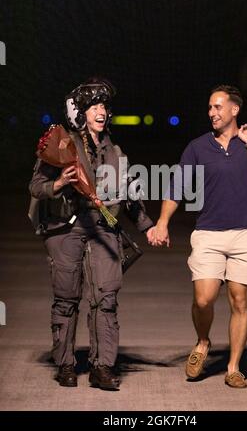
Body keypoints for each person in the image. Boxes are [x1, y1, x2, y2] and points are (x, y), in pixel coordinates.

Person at [149, 85, 247, 388]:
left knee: (240, 301)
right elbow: (177, 184)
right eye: (209, 107)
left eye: (218, 107)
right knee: (204, 298)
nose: (212, 113)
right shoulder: (198, 147)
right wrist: (163, 222)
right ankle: (203, 342)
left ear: (235, 110)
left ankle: (233, 367)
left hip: (246, 234)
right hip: (208, 233)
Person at [29, 77, 154, 390]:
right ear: (80, 113)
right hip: (67, 229)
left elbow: (130, 198)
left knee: (105, 298)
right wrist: (58, 184)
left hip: (103, 227)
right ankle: (65, 364)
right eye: (93, 106)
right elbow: (36, 187)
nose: (101, 111)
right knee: (66, 298)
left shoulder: (116, 152)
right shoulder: (62, 144)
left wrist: (148, 227)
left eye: (104, 106)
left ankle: (102, 368)